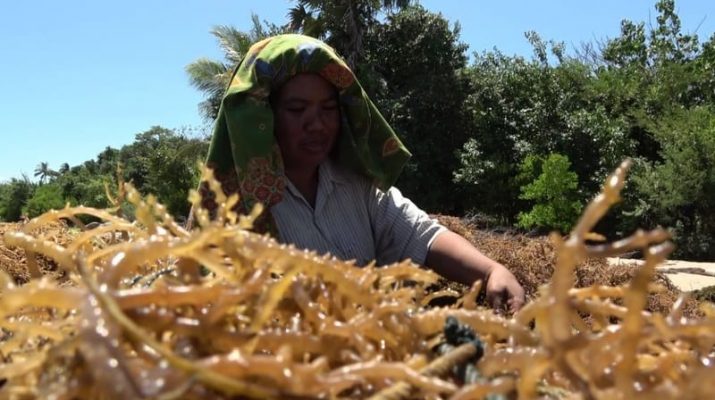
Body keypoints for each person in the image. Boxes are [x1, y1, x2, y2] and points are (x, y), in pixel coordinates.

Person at [199, 34, 525, 313]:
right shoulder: (234, 208)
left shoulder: (357, 186)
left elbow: (422, 235)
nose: (317, 123)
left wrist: (491, 269)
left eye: (328, 108)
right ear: (263, 116)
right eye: (297, 110)